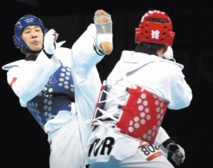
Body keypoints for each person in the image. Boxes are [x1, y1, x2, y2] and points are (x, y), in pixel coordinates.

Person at [2, 9, 113, 168]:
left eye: (38, 30)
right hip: (62, 126)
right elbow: (25, 91)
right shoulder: (16, 70)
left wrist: (52, 52)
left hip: (90, 110)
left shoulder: (65, 54)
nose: (34, 35)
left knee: (80, 60)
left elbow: (82, 70)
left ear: (45, 33)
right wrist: (47, 54)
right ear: (19, 40)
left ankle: (98, 41)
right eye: (27, 32)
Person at [86, 9, 192, 168]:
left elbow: (131, 115)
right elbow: (183, 101)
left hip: (94, 149)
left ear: (138, 36)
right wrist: (170, 60)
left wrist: (167, 142)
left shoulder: (120, 64)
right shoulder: (167, 69)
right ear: (169, 41)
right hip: (126, 147)